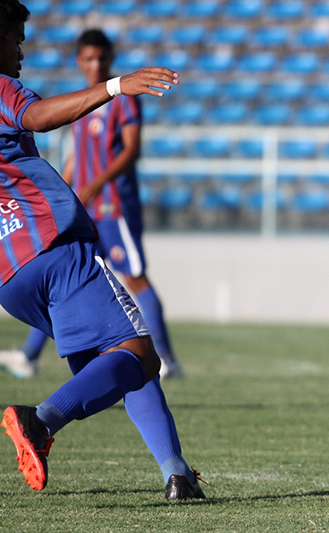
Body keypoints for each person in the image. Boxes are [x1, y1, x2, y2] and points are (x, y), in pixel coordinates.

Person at [0, 0, 202, 500]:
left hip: (9, 274)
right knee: (139, 351)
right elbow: (38, 115)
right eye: (15, 37)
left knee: (120, 356)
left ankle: (177, 473)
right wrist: (114, 86)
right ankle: (40, 420)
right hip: (55, 247)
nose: (21, 49)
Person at [0, 28, 183, 380]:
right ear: (79, 61)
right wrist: (65, 188)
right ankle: (30, 355)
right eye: (88, 58)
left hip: (113, 207)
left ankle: (166, 358)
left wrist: (95, 184)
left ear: (110, 60)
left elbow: (131, 150)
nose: (95, 65)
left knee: (135, 278)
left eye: (101, 58)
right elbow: (76, 158)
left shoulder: (124, 97)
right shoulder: (84, 100)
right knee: (64, 279)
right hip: (82, 210)